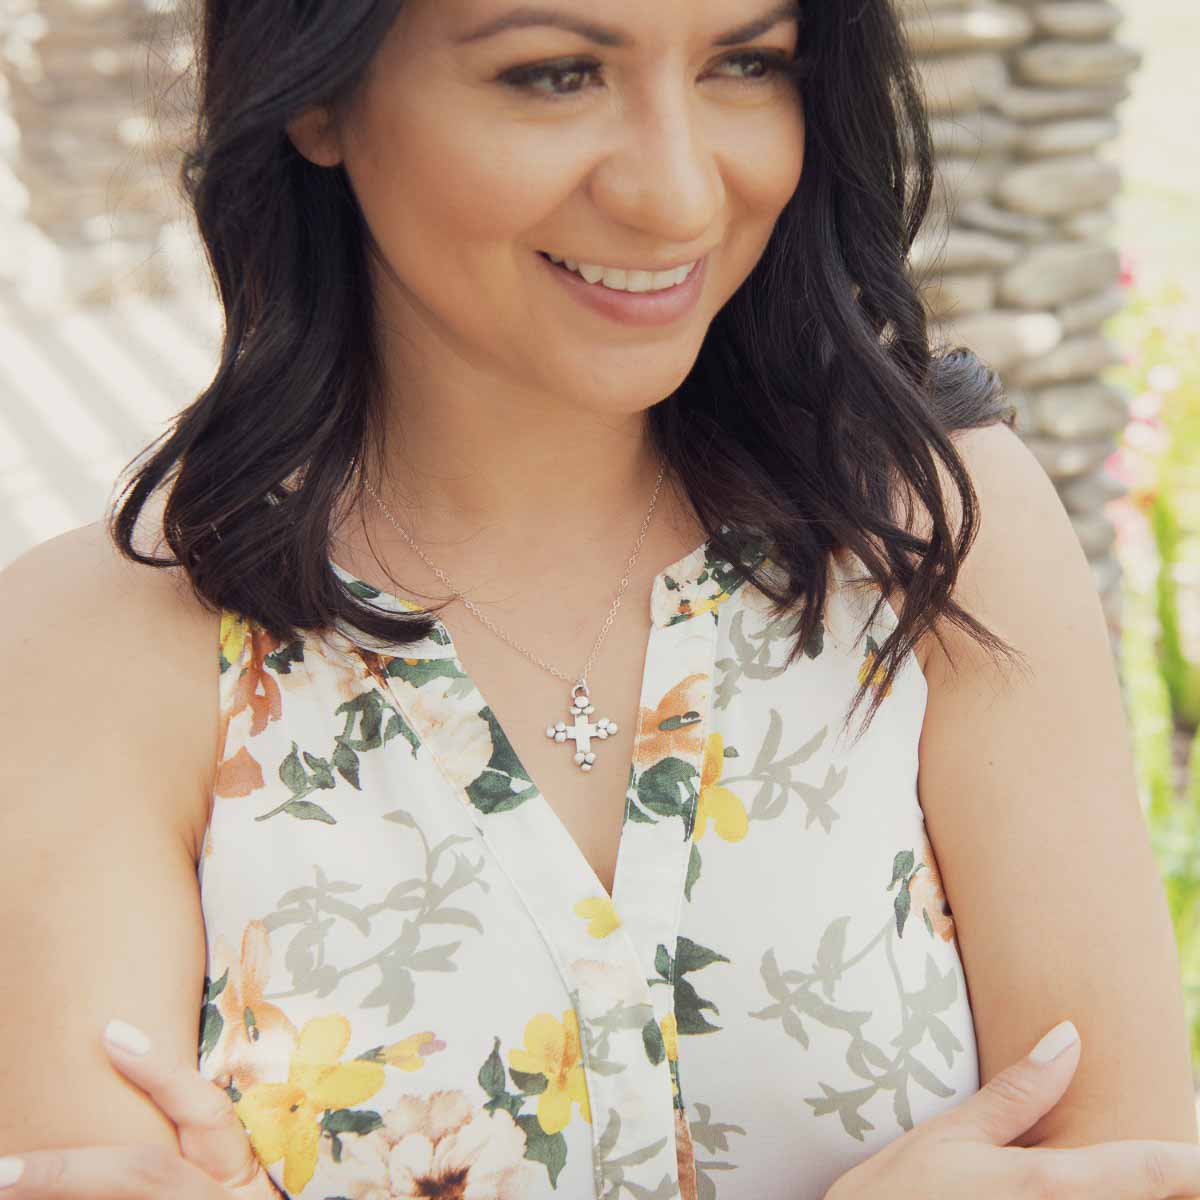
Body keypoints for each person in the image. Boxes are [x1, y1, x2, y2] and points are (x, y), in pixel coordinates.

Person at [0, 1, 1196, 1198]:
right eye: (555, 74)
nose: (677, 194)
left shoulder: (931, 537)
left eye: (746, 62)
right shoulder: (95, 653)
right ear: (315, 92)